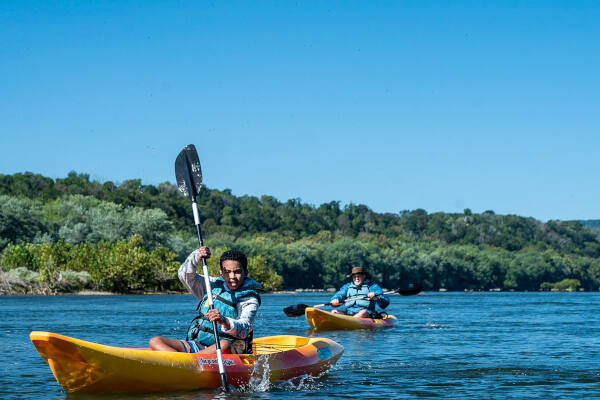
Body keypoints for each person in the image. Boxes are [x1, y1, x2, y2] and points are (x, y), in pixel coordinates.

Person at [149, 247, 262, 354]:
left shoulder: (249, 298)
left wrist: (224, 321)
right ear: (221, 272)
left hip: (229, 350)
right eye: (227, 272)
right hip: (199, 346)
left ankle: (187, 362)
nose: (232, 276)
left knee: (224, 344)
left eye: (237, 271)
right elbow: (185, 276)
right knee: (156, 341)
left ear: (245, 272)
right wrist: (196, 257)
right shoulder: (211, 286)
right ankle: (186, 362)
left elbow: (245, 328)